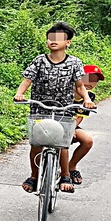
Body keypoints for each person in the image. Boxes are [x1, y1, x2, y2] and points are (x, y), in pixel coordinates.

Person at [13, 21, 96, 194]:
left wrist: (87, 99)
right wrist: (20, 94)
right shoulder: (39, 61)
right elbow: (28, 80)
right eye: (50, 38)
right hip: (39, 108)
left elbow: (80, 86)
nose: (53, 41)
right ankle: (34, 176)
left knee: (62, 144)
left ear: (68, 42)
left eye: (58, 38)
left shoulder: (74, 63)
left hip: (63, 110)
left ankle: (65, 175)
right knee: (36, 144)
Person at [67, 64, 103, 186]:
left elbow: (80, 116)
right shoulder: (66, 89)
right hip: (56, 122)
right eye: (88, 78)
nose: (90, 83)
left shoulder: (89, 96)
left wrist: (71, 128)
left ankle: (71, 166)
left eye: (95, 80)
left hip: (72, 124)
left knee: (87, 141)